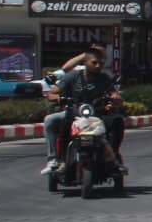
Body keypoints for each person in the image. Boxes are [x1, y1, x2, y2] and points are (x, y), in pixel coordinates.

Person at [49, 46, 128, 174]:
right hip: (75, 115)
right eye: (94, 63)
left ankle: (113, 157)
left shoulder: (104, 79)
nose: (97, 66)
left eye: (100, 63)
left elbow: (113, 93)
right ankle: (62, 160)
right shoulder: (73, 77)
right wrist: (55, 97)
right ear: (85, 62)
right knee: (63, 125)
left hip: (98, 115)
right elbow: (53, 92)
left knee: (117, 120)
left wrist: (115, 97)